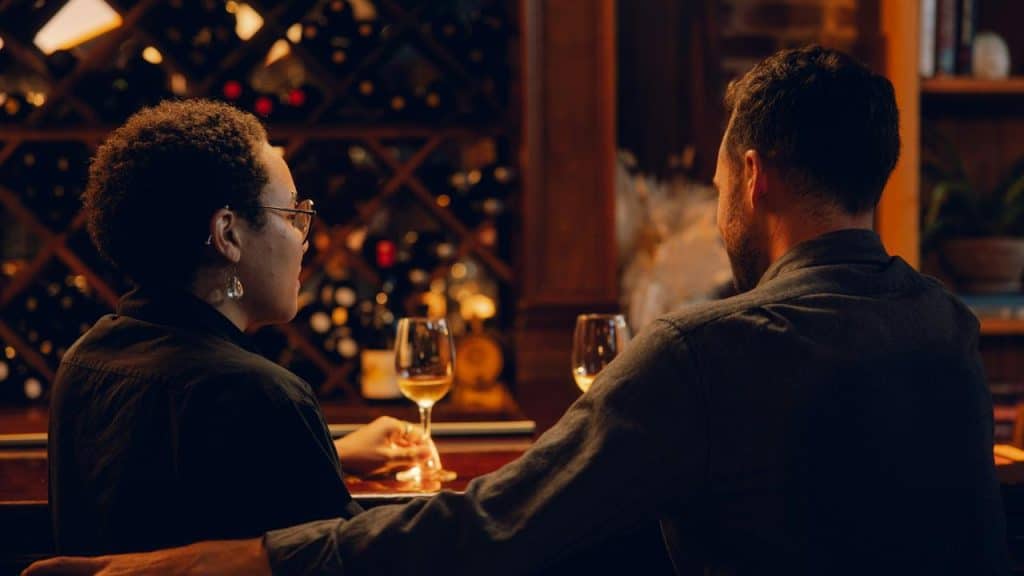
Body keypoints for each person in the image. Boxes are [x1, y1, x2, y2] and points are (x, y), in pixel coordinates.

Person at [26, 46, 1010, 576]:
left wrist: (228, 566)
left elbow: (489, 529)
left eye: (713, 184)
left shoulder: (709, 352)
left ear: (749, 178)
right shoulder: (947, 329)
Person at [45, 99, 431, 555]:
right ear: (228, 234)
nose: (304, 241)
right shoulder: (259, 394)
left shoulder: (85, 359)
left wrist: (332, 451)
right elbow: (337, 563)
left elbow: (170, 489)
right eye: (292, 216)